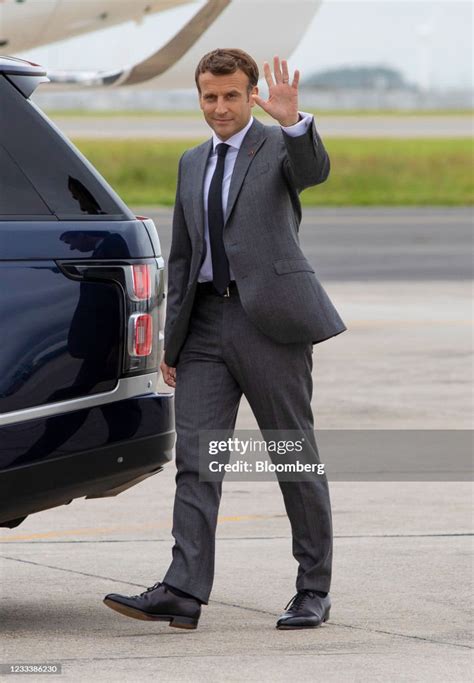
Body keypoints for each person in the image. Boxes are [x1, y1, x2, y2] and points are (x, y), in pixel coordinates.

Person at [104, 48, 346, 630]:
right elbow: (184, 258)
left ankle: (313, 589)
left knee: (293, 456)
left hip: (270, 324)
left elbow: (313, 171)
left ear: (250, 94)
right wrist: (172, 341)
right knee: (197, 460)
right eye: (209, 96)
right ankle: (184, 589)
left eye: (231, 95)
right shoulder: (192, 161)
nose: (219, 107)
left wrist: (294, 124)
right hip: (207, 327)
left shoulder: (277, 148)